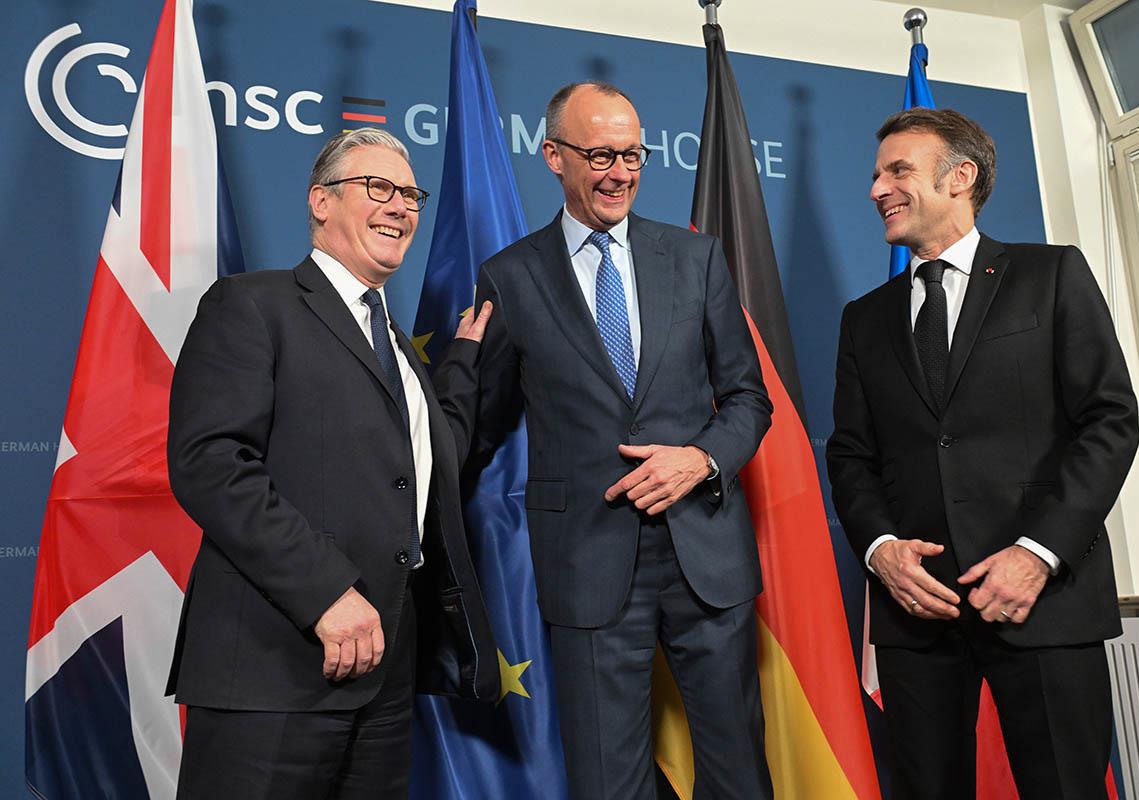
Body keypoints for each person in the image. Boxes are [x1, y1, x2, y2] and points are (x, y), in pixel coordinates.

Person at [453, 81, 774, 800]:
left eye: (633, 155)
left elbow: (749, 399)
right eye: (600, 155)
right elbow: (480, 425)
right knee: (606, 780)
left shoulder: (695, 258)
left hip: (705, 557)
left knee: (738, 773)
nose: (620, 173)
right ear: (554, 156)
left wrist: (700, 459)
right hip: (587, 565)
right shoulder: (510, 276)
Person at [165, 127, 498, 799]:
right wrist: (325, 592)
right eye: (378, 187)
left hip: (384, 678)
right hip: (272, 671)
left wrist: (461, 362)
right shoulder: (252, 304)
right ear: (321, 201)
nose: (400, 205)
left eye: (411, 194)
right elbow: (211, 463)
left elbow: (425, 465)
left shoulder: (397, 348)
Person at [827, 107, 1139, 799]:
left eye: (898, 170)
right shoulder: (864, 319)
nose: (877, 189)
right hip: (918, 610)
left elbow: (1110, 420)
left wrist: (1038, 554)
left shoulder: (1051, 274)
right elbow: (851, 455)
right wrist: (880, 549)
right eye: (876, 175)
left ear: (960, 176)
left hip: (1044, 598)